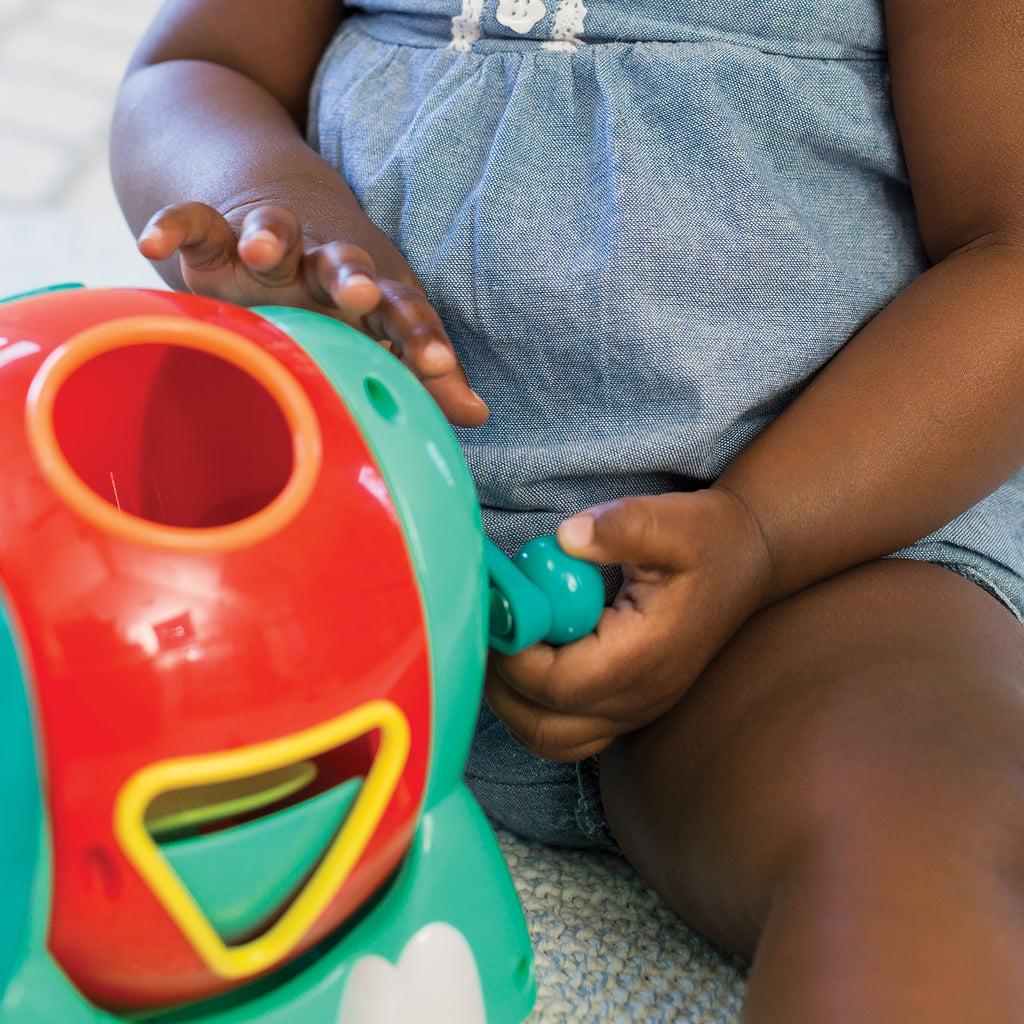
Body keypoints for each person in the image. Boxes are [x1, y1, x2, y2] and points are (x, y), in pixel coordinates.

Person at [111, 1, 1024, 1020]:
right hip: (331, 534)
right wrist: (265, 202)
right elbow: (191, 66)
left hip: (803, 562)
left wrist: (761, 533)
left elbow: (1009, 249)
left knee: (915, 825)